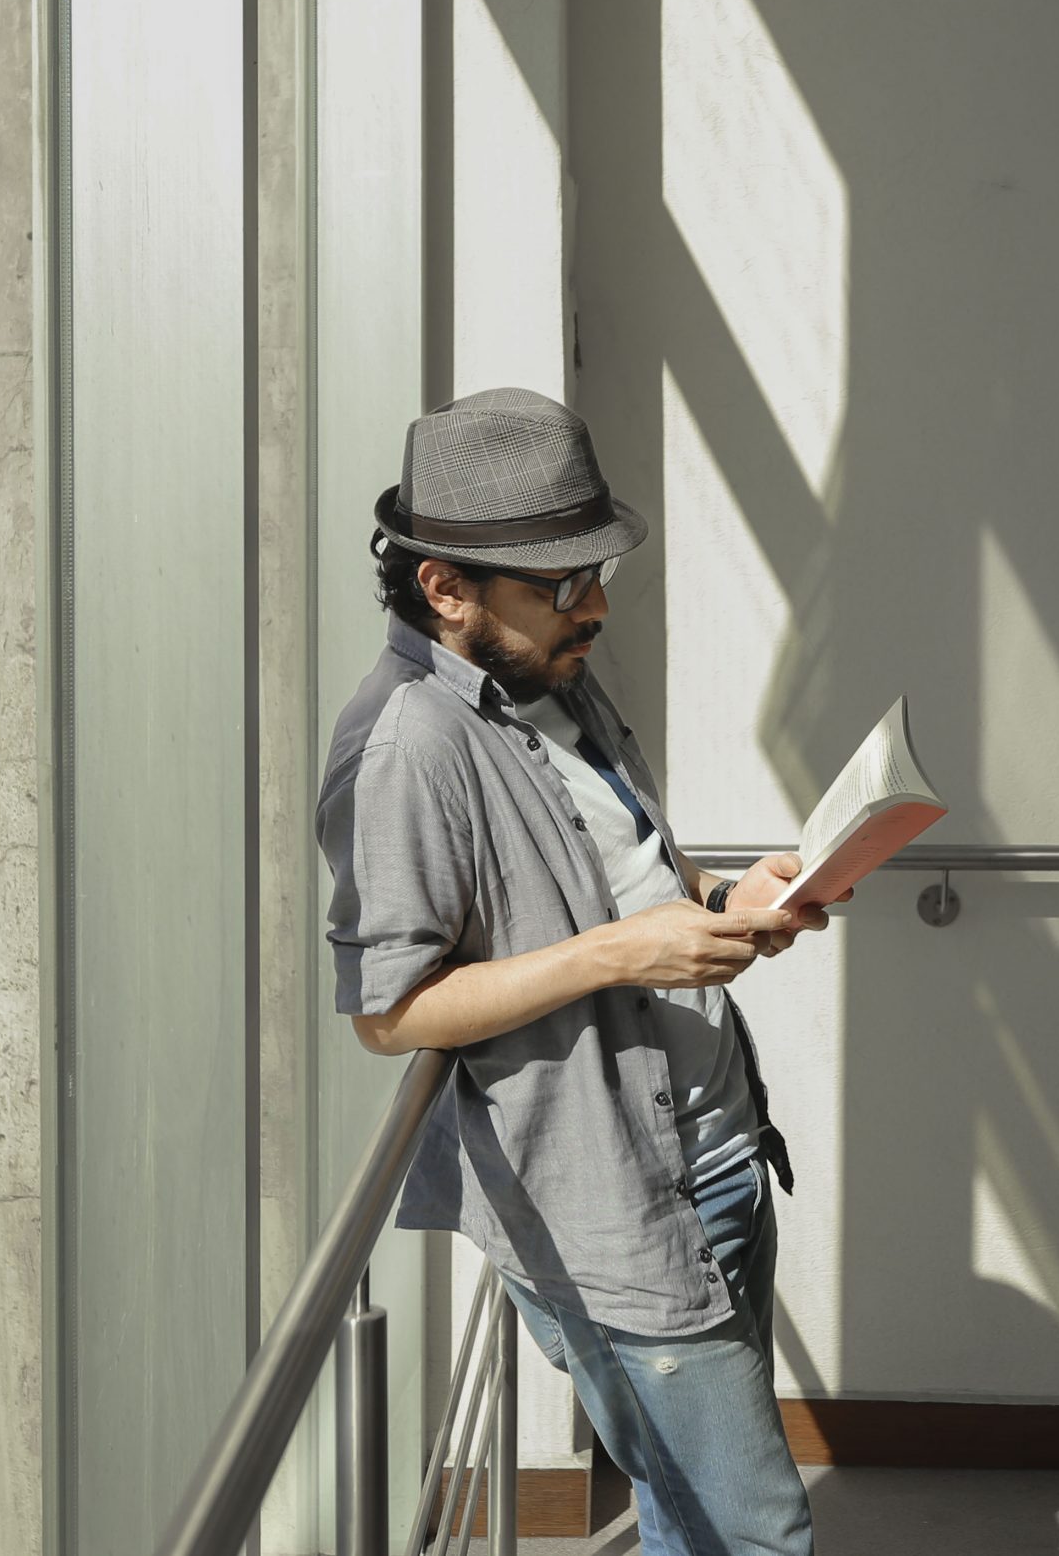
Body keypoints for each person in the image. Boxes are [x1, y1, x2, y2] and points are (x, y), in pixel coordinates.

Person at [319, 387, 828, 1555]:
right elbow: (391, 1015)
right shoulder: (407, 744)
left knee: (686, 1521)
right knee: (756, 1537)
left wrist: (724, 901)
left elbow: (617, 866)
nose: (594, 604)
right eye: (561, 584)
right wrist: (622, 956)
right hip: (613, 1211)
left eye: (595, 571)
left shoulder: (550, 676)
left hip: (714, 1151)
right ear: (444, 588)